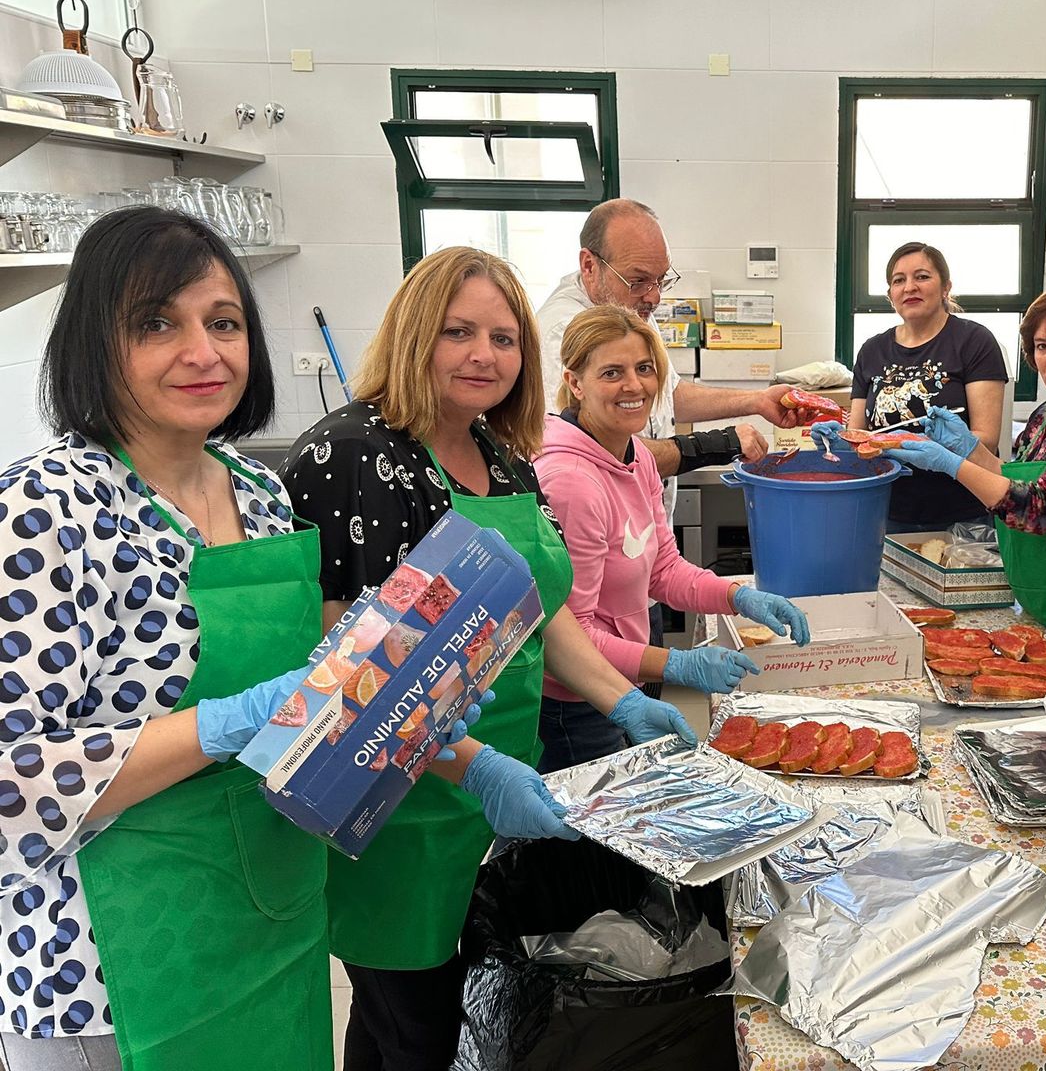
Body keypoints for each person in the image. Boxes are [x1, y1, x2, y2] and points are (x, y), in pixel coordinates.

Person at [283, 247, 694, 1071]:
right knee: (417, 1029)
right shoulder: (355, 455)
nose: (484, 355)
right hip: (398, 808)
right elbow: (347, 676)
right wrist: (475, 769)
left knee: (412, 1024)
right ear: (413, 333)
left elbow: (541, 611)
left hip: (491, 791)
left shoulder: (502, 454)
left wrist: (621, 699)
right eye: (458, 332)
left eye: (504, 339)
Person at [0, 208, 334, 1070]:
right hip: (109, 967)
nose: (203, 352)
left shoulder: (260, 493)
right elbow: (12, 779)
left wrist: (408, 723)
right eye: (156, 324)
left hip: (270, 918)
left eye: (224, 322)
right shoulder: (45, 510)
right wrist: (222, 725)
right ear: (93, 342)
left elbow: (302, 708)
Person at [536, 305, 812, 769]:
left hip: (621, 679)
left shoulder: (635, 454)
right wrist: (677, 664)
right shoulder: (572, 483)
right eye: (612, 372)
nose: (634, 385)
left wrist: (737, 597)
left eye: (644, 369)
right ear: (575, 383)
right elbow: (572, 636)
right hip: (575, 702)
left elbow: (663, 571)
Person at [837, 285, 1046, 681]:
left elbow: (1038, 507)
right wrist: (970, 448)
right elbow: (1011, 479)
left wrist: (951, 464)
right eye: (1042, 346)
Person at [537, 199, 802, 645]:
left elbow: (667, 396)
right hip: (597, 616)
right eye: (640, 280)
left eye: (661, 279)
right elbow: (577, 639)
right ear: (589, 265)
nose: (655, 296)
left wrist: (757, 400)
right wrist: (721, 443)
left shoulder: (630, 311)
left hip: (636, 571)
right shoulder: (563, 333)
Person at [847, 241, 1009, 531]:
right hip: (888, 509)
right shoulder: (872, 350)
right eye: (899, 280)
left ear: (946, 287)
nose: (910, 287)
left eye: (922, 276)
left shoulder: (974, 341)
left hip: (963, 512)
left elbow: (987, 441)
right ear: (890, 294)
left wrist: (941, 453)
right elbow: (857, 433)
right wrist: (840, 441)